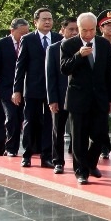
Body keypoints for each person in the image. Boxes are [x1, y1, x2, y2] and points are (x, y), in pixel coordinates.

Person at [60, 12, 111, 185]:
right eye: (84, 30)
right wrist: (78, 56)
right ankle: (81, 171)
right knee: (79, 138)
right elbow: (64, 69)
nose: (89, 34)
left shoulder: (104, 44)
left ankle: (91, 163)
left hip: (99, 98)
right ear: (79, 28)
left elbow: (109, 73)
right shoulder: (69, 45)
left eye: (92, 30)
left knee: (100, 135)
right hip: (78, 98)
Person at [13, 7, 61, 168]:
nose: (47, 22)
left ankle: (46, 156)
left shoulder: (58, 38)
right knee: (29, 122)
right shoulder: (27, 39)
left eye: (50, 19)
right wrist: (17, 90)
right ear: (36, 22)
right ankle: (26, 155)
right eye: (44, 19)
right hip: (32, 88)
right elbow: (20, 67)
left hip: (51, 90)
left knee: (50, 123)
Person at [0, 17, 29, 156]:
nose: (24, 36)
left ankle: (28, 148)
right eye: (21, 33)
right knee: (11, 117)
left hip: (26, 87)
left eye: (27, 33)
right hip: (7, 88)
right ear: (12, 31)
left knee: (24, 118)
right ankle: (11, 148)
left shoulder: (30, 42)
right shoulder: (1, 44)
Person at [47, 17, 79, 174]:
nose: (74, 32)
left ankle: (79, 162)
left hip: (77, 97)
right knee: (58, 130)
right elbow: (50, 76)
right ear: (63, 30)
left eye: (76, 30)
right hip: (59, 97)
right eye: (71, 29)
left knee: (78, 131)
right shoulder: (53, 49)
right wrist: (52, 99)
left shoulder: (84, 47)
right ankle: (58, 161)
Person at [97, 9, 111, 161]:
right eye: (108, 25)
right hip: (103, 87)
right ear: (101, 28)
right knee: (102, 120)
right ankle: (104, 147)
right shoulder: (98, 45)